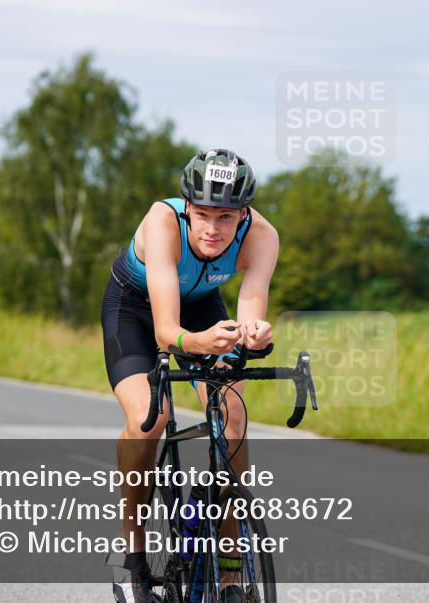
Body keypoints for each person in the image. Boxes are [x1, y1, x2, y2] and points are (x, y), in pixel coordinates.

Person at [101, 149, 279, 603]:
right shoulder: (163, 222)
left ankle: (231, 568)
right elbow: (166, 331)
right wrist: (199, 343)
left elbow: (250, 311)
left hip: (202, 306)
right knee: (150, 418)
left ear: (243, 214)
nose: (211, 229)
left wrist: (254, 336)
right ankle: (133, 551)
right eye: (201, 215)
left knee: (233, 414)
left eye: (224, 217)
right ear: (186, 207)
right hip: (137, 311)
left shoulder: (262, 235)